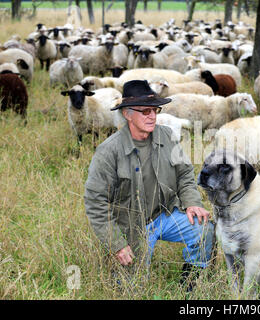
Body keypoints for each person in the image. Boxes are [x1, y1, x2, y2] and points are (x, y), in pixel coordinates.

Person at [84, 80, 214, 290]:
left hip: (164, 214)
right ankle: (126, 273)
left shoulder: (166, 136)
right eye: (145, 111)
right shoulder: (108, 151)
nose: (152, 116)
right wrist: (116, 244)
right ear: (127, 114)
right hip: (132, 227)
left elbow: (184, 172)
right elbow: (95, 202)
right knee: (131, 289)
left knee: (205, 230)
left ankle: (191, 281)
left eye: (155, 110)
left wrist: (192, 202)